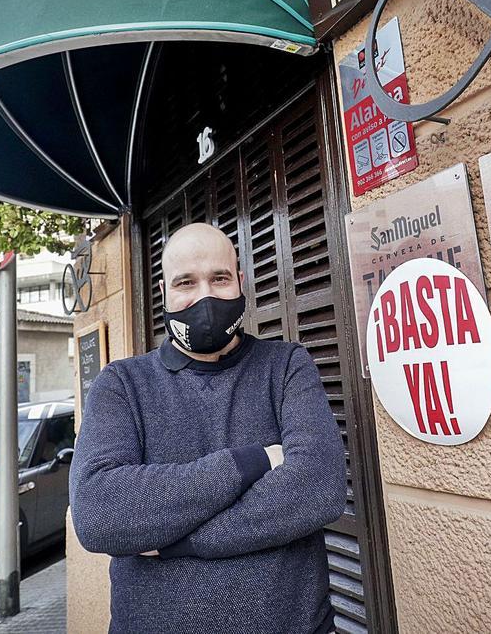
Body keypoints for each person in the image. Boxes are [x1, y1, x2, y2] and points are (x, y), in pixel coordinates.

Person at [69, 223, 347, 634]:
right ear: (165, 292)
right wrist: (249, 462)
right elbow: (98, 514)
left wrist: (174, 540)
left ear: (240, 282)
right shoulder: (121, 384)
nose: (205, 296)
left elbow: (318, 490)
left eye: (219, 278)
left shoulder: (287, 366)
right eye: (187, 282)